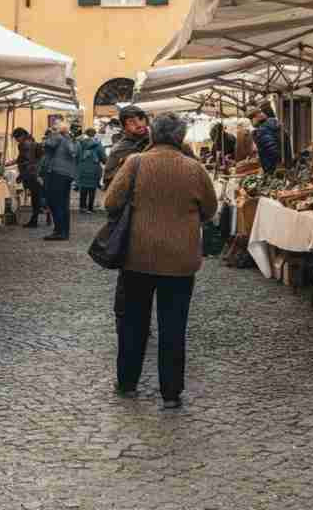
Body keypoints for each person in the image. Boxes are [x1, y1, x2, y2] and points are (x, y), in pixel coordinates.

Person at [107, 113, 218, 409]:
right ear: (180, 137)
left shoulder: (135, 163)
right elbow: (210, 209)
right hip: (180, 261)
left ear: (153, 135)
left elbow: (110, 203)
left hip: (136, 257)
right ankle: (171, 392)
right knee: (173, 326)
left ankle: (127, 382)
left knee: (133, 323)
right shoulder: (194, 169)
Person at [102, 105, 152, 336]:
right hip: (130, 218)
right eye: (132, 121)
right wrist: (125, 167)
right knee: (130, 274)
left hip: (155, 217)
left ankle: (145, 321)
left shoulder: (157, 141)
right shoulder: (120, 149)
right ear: (124, 126)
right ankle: (124, 321)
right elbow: (108, 181)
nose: (139, 124)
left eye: (141, 119)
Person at [40, 122, 78, 241]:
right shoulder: (70, 140)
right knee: (63, 204)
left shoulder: (57, 137)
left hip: (56, 173)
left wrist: (51, 135)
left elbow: (47, 145)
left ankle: (58, 231)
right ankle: (64, 231)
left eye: (53, 129)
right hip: (67, 174)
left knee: (55, 202)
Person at [9, 127, 44, 228]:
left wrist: (21, 175)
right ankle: (34, 219)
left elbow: (27, 161)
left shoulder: (25, 144)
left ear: (21, 136)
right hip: (35, 172)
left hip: (31, 173)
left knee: (35, 197)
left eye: (16, 138)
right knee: (36, 197)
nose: (16, 141)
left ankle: (34, 221)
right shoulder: (31, 141)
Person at [76, 128, 107, 213]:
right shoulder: (98, 144)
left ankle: (82, 207)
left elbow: (76, 156)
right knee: (92, 188)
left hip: (83, 168)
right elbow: (103, 158)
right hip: (94, 169)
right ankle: (90, 208)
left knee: (83, 187)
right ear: (94, 134)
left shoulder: (80, 143)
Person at [250, 102, 284, 174]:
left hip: (273, 168)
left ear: (255, 118)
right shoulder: (272, 125)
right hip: (281, 165)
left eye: (251, 119)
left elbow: (272, 149)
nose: (251, 123)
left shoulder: (263, 130)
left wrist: (270, 169)